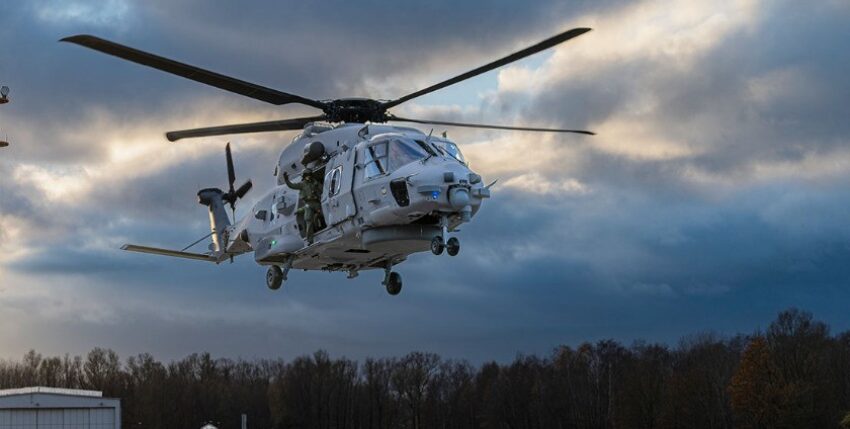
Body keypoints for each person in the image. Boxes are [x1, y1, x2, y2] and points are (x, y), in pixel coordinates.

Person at [283, 168, 323, 244]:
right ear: (304, 176)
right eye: (307, 175)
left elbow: (321, 189)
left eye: (309, 175)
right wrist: (286, 180)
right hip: (308, 204)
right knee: (308, 221)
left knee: (322, 214)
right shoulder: (302, 184)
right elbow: (292, 186)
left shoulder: (314, 183)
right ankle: (310, 240)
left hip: (316, 203)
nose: (308, 177)